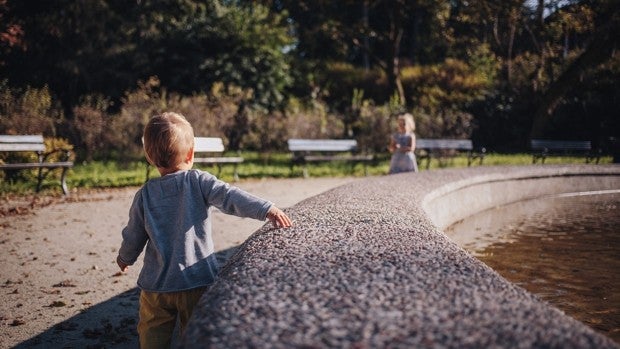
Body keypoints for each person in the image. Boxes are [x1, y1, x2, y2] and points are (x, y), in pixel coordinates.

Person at [116, 112, 292, 348]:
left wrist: (125, 257)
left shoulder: (145, 194)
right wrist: (266, 209)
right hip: (195, 280)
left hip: (156, 284)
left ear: (148, 156)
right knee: (197, 334)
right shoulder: (199, 181)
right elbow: (231, 197)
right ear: (190, 154)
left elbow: (134, 233)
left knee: (152, 333)